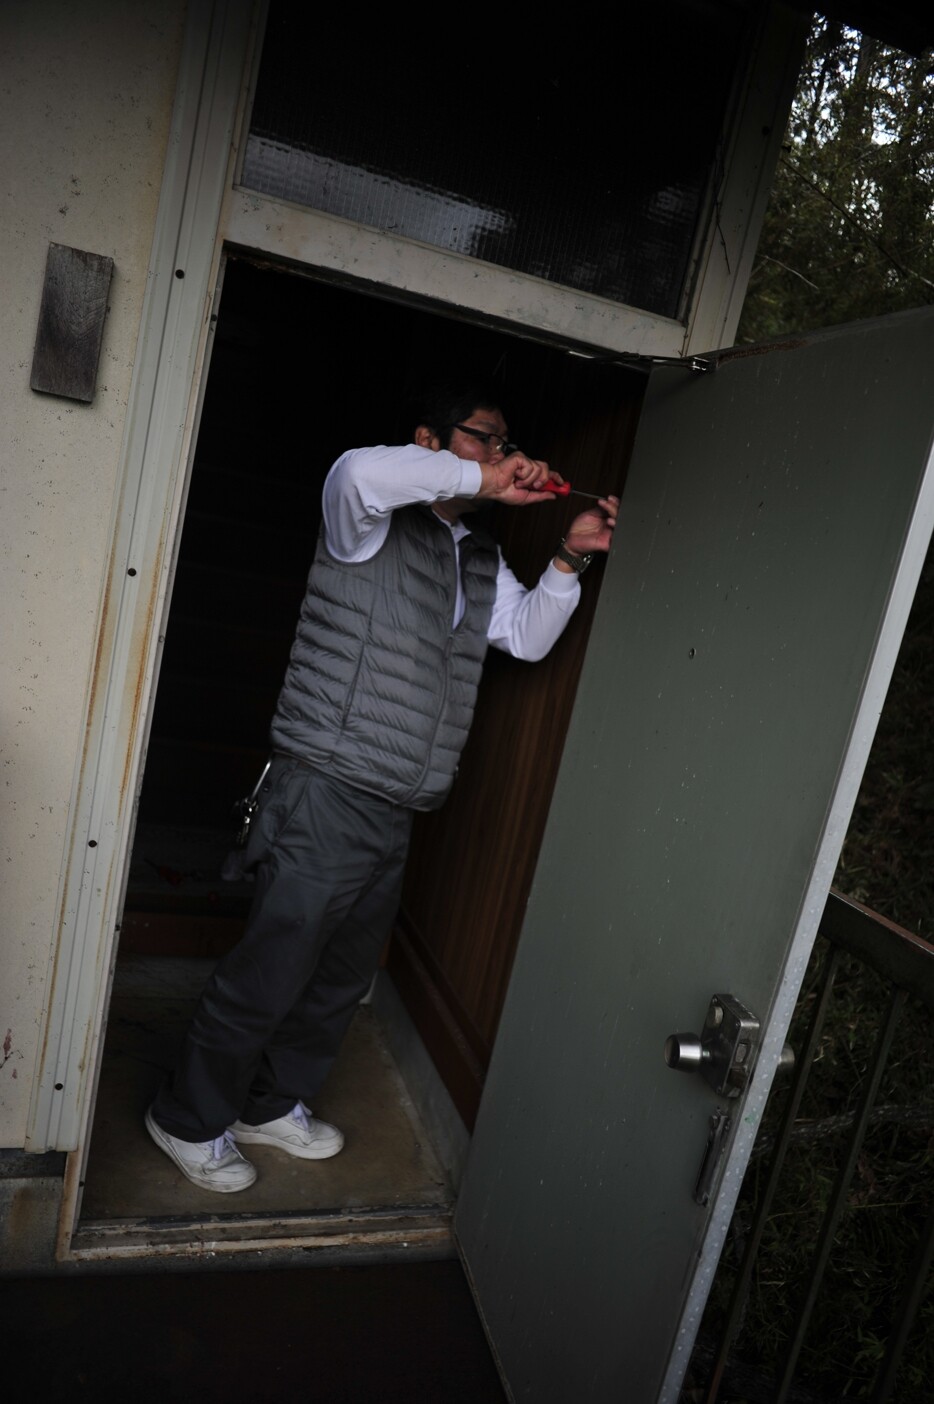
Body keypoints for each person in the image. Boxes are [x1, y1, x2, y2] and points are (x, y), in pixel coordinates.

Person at [146, 384, 618, 1191]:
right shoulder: (362, 515)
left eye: (507, 443)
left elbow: (527, 638)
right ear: (428, 439)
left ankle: (269, 1104)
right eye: (485, 438)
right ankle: (186, 1117)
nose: (501, 455)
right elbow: (361, 473)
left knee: (339, 980)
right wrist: (485, 477)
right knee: (270, 970)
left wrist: (570, 557)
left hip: (399, 803)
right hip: (326, 785)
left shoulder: (477, 553)